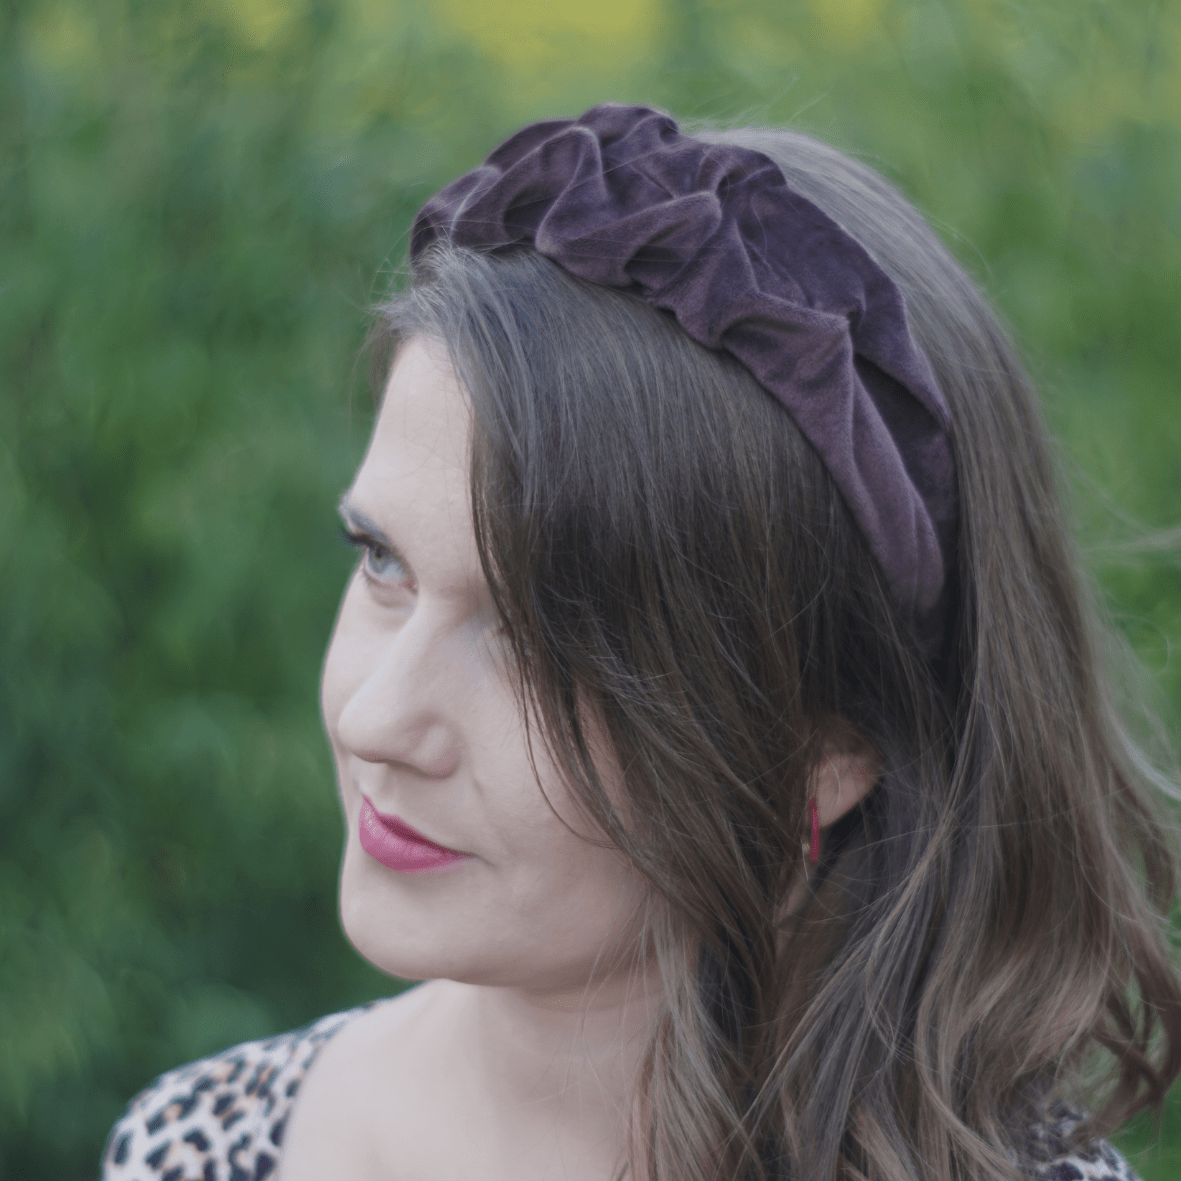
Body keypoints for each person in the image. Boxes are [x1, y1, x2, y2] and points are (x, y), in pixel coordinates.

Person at [100, 104, 1181, 1181]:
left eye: (536, 641)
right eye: (382, 560)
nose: (374, 717)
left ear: (827, 753)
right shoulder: (196, 1148)